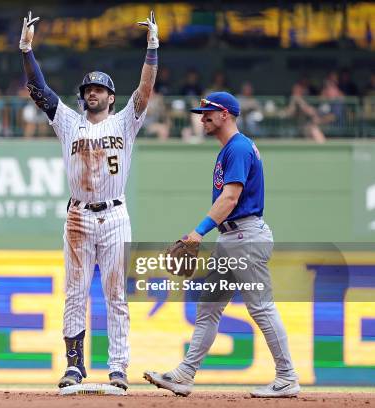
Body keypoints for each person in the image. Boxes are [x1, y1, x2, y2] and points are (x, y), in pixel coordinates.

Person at [19, 10, 158, 390]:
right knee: (76, 292)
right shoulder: (68, 121)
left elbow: (144, 93)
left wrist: (152, 49)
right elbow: (40, 91)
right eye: (87, 89)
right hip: (79, 214)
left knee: (116, 294)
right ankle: (75, 366)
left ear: (111, 97)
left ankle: (118, 368)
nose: (91, 92)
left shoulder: (125, 121)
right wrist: (26, 50)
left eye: (98, 89)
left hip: (115, 213)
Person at [143, 92, 300, 398]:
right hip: (233, 238)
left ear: (226, 114)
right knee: (209, 308)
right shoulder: (231, 149)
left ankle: (287, 376)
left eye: (208, 113)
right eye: (202, 113)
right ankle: (185, 374)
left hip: (245, 236)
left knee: (261, 307)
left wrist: (198, 232)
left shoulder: (238, 147)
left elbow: (230, 198)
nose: (203, 118)